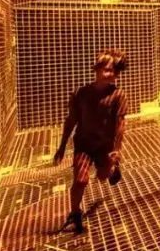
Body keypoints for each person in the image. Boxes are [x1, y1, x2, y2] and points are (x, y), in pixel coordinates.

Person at [54, 49, 128, 235]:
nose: (110, 74)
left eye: (114, 71)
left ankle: (112, 169)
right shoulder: (81, 93)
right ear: (96, 69)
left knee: (103, 177)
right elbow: (71, 121)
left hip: (105, 146)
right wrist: (61, 147)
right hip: (84, 144)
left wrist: (117, 150)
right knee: (81, 180)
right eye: (107, 70)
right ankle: (75, 213)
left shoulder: (118, 95)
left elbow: (120, 124)